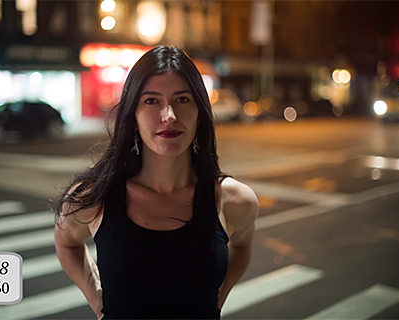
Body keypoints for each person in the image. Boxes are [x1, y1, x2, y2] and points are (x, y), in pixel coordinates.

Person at [54, 45, 258, 319]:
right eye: (151, 101)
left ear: (200, 113)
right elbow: (66, 241)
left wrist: (217, 298)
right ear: (133, 116)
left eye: (182, 100)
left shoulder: (233, 201)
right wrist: (94, 297)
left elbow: (242, 246)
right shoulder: (97, 197)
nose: (169, 115)